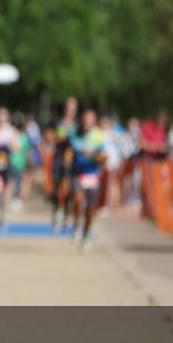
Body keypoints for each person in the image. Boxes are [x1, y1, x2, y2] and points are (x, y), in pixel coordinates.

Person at [69, 108, 107, 252]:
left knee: (91, 209)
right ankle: (77, 226)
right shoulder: (75, 132)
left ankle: (86, 234)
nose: (87, 120)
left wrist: (92, 155)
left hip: (92, 174)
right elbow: (70, 148)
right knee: (78, 200)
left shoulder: (98, 135)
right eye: (86, 117)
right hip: (77, 173)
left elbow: (103, 156)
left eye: (91, 118)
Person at [0, 107, 18, 228]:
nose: (1, 119)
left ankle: (1, 216)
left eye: (3, 117)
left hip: (7, 166)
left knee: (4, 194)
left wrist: (9, 144)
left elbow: (17, 148)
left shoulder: (11, 131)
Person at [51, 97, 79, 231]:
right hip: (60, 158)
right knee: (58, 189)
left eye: (74, 109)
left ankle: (67, 215)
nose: (71, 112)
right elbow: (53, 138)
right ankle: (57, 213)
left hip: (73, 160)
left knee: (70, 190)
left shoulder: (78, 125)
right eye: (69, 109)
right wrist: (63, 136)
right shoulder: (59, 123)